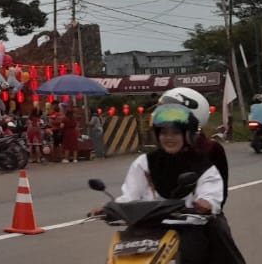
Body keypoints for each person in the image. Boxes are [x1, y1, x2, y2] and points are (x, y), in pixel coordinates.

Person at [91, 104, 245, 264]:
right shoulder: (145, 162)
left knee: (212, 242)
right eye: (164, 132)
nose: (169, 137)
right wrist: (109, 208)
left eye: (175, 133)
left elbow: (210, 194)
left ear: (187, 135)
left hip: (187, 230)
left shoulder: (202, 166)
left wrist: (204, 203)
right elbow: (130, 195)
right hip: (145, 230)